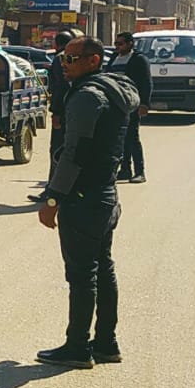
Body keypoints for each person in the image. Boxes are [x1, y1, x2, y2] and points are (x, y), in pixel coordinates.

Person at [35, 36, 141, 369]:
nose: (64, 65)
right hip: (105, 194)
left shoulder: (87, 96)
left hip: (83, 199)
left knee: (82, 275)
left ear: (93, 60)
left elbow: (75, 154)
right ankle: (106, 343)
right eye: (62, 59)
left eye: (70, 59)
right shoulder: (115, 90)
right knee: (103, 268)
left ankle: (78, 347)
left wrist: (53, 197)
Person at [29, 29, 76, 202]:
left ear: (57, 44)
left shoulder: (60, 59)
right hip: (76, 109)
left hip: (63, 111)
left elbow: (60, 88)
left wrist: (56, 112)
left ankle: (53, 191)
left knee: (57, 150)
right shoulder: (76, 58)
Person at [108, 32, 152, 183]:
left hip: (131, 103)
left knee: (132, 138)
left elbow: (146, 82)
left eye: (120, 44)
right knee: (121, 138)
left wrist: (144, 104)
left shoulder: (138, 59)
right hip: (116, 104)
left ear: (130, 44)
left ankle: (140, 171)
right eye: (116, 44)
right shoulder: (114, 58)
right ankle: (125, 169)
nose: (117, 47)